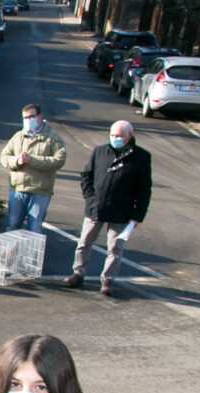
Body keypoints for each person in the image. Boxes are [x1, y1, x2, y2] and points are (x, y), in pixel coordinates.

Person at [64, 120, 152, 297]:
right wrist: (90, 198)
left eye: (119, 136)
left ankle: (107, 280)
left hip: (121, 212)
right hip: (96, 208)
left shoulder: (141, 157)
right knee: (84, 243)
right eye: (112, 135)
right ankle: (78, 273)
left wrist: (137, 216)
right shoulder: (99, 152)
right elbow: (87, 176)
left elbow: (144, 190)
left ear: (129, 137)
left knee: (115, 249)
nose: (115, 139)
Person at [0, 104, 66, 233]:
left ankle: (33, 254)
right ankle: (13, 254)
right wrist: (16, 160)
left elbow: (59, 160)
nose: (28, 120)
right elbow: (4, 157)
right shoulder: (18, 136)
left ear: (40, 117)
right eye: (25, 118)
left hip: (40, 191)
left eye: (32, 116)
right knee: (13, 226)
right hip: (18, 189)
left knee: (34, 228)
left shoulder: (53, 138)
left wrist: (32, 160)